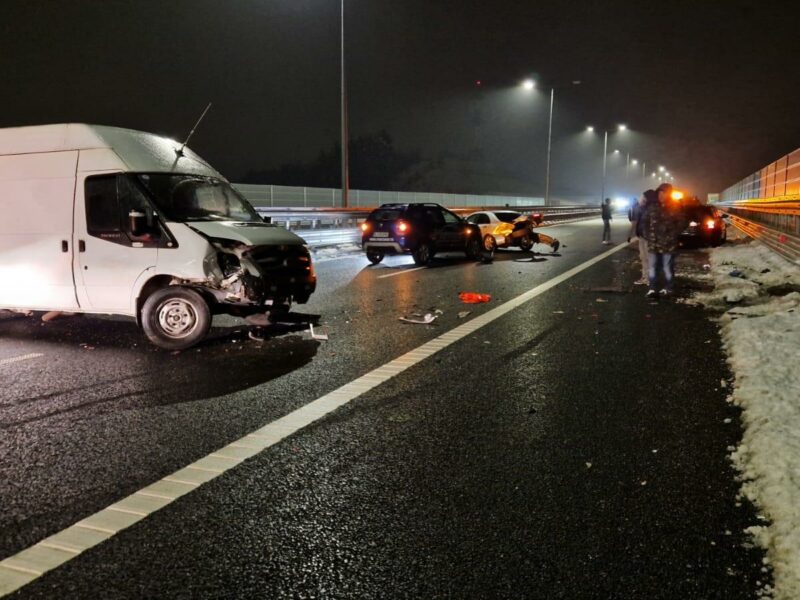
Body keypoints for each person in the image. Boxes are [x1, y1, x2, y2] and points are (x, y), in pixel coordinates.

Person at [641, 184, 686, 298]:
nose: (662, 196)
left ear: (669, 195)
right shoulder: (652, 207)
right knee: (652, 267)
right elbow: (644, 221)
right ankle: (652, 288)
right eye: (660, 193)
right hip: (653, 243)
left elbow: (683, 222)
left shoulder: (675, 207)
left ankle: (669, 288)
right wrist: (647, 235)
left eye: (664, 193)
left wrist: (673, 234)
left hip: (668, 244)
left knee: (667, 267)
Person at [630, 193, 650, 285]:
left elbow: (635, 222)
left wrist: (630, 235)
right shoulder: (642, 208)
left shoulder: (647, 209)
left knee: (646, 258)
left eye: (642, 197)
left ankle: (647, 278)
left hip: (646, 237)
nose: (640, 199)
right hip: (642, 236)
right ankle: (646, 277)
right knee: (644, 257)